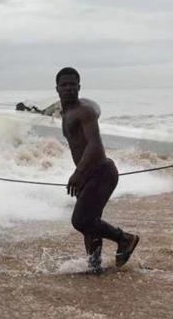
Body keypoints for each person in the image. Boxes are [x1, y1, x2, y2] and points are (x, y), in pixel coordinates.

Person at [56, 67, 139, 273]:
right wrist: (82, 175)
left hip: (101, 172)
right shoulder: (65, 113)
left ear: (79, 87)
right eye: (64, 85)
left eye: (72, 84)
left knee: (81, 220)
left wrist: (79, 173)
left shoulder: (84, 111)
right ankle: (95, 266)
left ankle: (125, 239)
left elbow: (94, 144)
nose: (68, 88)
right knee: (90, 224)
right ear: (57, 88)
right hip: (88, 176)